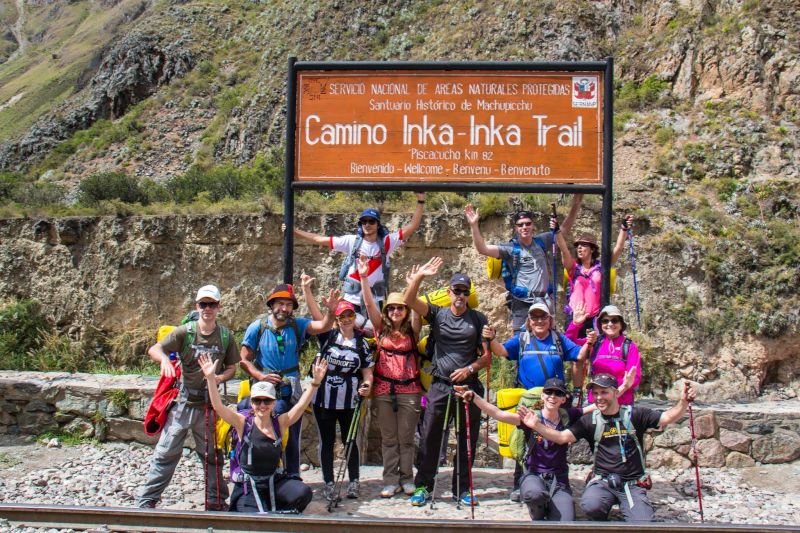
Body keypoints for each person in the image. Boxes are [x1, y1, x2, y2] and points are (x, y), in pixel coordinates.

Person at [522, 373, 697, 522]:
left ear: (615, 392)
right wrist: (536, 425)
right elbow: (561, 438)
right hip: (602, 481)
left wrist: (683, 402)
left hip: (632, 483)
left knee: (644, 523)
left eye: (604, 392)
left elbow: (666, 418)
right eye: (595, 393)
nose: (599, 397)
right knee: (590, 506)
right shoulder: (589, 421)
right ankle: (604, 513)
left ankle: (631, 508)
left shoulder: (635, 414)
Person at [137, 285, 239, 510]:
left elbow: (232, 367)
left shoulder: (225, 336)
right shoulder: (185, 332)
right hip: (183, 403)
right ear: (197, 306)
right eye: (203, 304)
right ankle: (147, 501)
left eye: (212, 304)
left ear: (218, 307)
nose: (207, 309)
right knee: (165, 453)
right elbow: (155, 349)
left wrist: (219, 378)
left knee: (212, 457)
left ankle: (216, 501)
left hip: (209, 405)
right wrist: (164, 360)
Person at [404, 257, 495, 507]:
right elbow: (409, 301)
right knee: (430, 436)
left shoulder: (478, 319)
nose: (461, 295)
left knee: (467, 440)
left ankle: (462, 489)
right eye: (457, 290)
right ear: (449, 292)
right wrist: (419, 276)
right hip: (440, 384)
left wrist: (469, 368)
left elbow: (486, 358)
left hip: (468, 387)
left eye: (465, 292)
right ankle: (423, 485)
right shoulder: (437, 314)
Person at [484, 301, 594, 502]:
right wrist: (491, 339)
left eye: (543, 317)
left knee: (555, 440)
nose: (539, 321)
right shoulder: (522, 339)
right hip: (529, 401)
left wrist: (589, 342)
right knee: (524, 440)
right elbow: (501, 351)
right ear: (529, 321)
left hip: (555, 399)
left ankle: (559, 483)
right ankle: (521, 482)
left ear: (550, 320)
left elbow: (579, 355)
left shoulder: (558, 339)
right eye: (535, 317)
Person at [199, 353, 328, 513]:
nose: (262, 405)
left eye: (266, 401)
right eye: (257, 401)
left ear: (274, 403)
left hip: (274, 481)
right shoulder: (242, 423)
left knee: (303, 493)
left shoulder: (280, 423)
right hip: (249, 485)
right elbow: (218, 407)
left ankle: (278, 513)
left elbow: (300, 406)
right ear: (251, 403)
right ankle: (269, 512)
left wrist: (315, 383)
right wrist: (211, 378)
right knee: (253, 520)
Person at [239, 282, 340, 476]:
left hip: (291, 391)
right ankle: (270, 472)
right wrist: (260, 376)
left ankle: (292, 475)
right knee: (270, 432)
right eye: (280, 304)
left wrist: (331, 312)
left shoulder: (297, 325)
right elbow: (243, 359)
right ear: (272, 305)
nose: (284, 308)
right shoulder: (258, 327)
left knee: (293, 435)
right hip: (267, 392)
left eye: (288, 305)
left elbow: (324, 326)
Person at [455, 378, 583, 521]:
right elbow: (499, 414)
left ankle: (550, 504)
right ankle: (538, 511)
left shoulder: (568, 416)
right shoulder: (530, 417)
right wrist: (474, 397)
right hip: (534, 475)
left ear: (563, 399)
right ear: (542, 395)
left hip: (559, 479)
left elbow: (593, 409)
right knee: (535, 496)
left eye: (558, 393)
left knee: (566, 522)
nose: (552, 396)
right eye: (548, 392)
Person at [465, 195, 582, 332]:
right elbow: (482, 249)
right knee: (520, 342)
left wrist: (576, 205)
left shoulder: (542, 241)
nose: (524, 227)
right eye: (520, 225)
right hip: (522, 303)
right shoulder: (510, 249)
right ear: (516, 229)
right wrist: (474, 225)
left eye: (528, 223)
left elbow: (563, 230)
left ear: (533, 226)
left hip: (544, 300)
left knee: (547, 341)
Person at [293, 192, 426, 311]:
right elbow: (319, 239)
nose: (367, 224)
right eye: (364, 221)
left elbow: (412, 227)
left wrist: (420, 201)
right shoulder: (351, 241)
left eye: (371, 221)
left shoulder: (387, 242)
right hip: (351, 300)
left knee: (374, 336)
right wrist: (294, 232)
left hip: (375, 300)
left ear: (378, 224)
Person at [358, 255, 422, 498]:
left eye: (400, 307)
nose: (396, 311)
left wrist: (414, 283)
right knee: (388, 439)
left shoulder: (413, 331)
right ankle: (390, 479)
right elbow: (369, 304)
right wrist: (364, 277)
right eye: (392, 308)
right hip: (384, 391)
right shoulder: (381, 329)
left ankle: (407, 478)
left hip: (410, 391)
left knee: (406, 439)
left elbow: (416, 305)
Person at [312, 299, 374, 501]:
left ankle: (354, 481)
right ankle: (328, 482)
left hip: (349, 400)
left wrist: (366, 385)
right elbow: (316, 318)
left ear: (355, 318)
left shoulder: (361, 342)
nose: (347, 320)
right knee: (327, 441)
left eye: (350, 315)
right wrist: (306, 290)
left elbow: (367, 372)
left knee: (350, 441)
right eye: (342, 316)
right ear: (337, 320)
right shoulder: (328, 337)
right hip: (324, 399)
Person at [553, 215, 633, 336]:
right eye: (578, 245)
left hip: (594, 319)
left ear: (592, 249)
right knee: (573, 351)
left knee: (593, 352)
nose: (580, 247)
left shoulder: (602, 267)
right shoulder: (573, 267)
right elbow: (564, 249)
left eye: (584, 245)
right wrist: (557, 231)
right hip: (574, 317)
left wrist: (624, 229)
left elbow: (619, 248)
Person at [566, 304, 641, 406]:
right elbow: (567, 344)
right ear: (600, 324)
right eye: (605, 321)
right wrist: (575, 324)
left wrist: (616, 393)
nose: (610, 324)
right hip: (597, 401)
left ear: (621, 324)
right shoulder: (595, 342)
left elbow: (634, 377)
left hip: (621, 402)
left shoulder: (629, 346)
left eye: (614, 320)